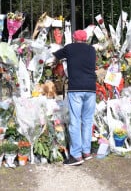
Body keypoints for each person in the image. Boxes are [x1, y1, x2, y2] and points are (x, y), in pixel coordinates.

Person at [52, 29, 96, 166]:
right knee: (87, 120)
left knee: (75, 121)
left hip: (76, 87)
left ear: (73, 37)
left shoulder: (69, 48)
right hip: (91, 88)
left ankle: (76, 155)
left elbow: (55, 55)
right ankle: (86, 151)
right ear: (86, 38)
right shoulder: (92, 50)